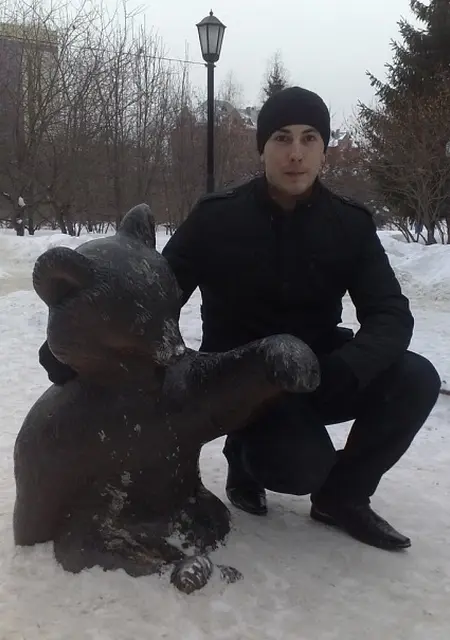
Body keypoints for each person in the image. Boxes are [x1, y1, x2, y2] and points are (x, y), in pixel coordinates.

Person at [39, 86, 441, 551]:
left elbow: (390, 312)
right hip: (241, 379)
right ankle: (243, 454)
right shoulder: (217, 218)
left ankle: (343, 497)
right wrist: (71, 348)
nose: (295, 153)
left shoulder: (349, 224)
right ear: (262, 148)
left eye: (309, 138)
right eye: (282, 138)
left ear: (324, 150)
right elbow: (152, 292)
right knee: (297, 468)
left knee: (416, 378)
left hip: (321, 372)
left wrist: (348, 368)